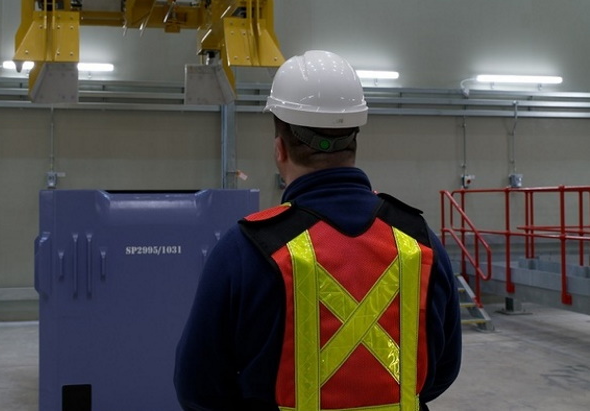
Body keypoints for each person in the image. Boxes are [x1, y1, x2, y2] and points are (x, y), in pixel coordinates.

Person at [174, 50, 462, 411]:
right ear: (354, 142)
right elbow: (442, 372)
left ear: (279, 149)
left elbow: (198, 388)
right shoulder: (420, 241)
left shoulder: (245, 250)